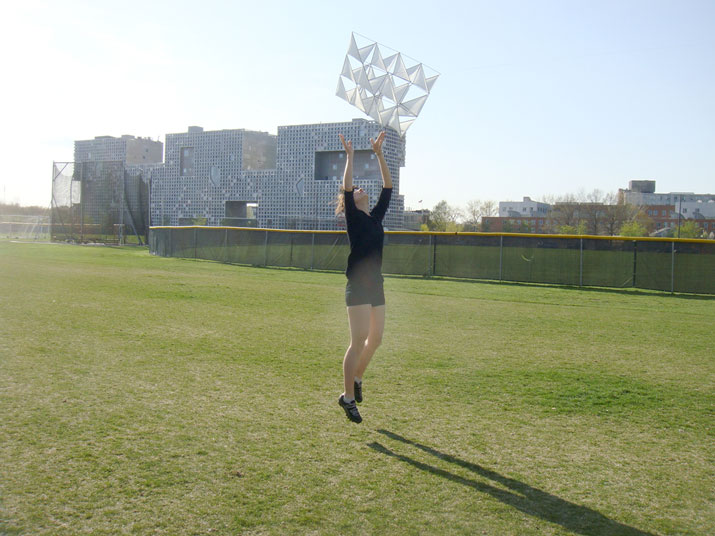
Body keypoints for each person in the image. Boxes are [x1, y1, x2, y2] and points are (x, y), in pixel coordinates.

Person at [335, 131, 392, 423]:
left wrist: (379, 153)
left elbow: (388, 187)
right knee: (357, 340)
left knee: (376, 339)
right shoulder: (355, 220)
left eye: (359, 188)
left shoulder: (376, 218)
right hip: (357, 286)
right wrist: (351, 157)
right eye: (355, 189)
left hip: (376, 286)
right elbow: (345, 187)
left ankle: (357, 377)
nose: (358, 189)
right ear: (350, 201)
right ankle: (347, 398)